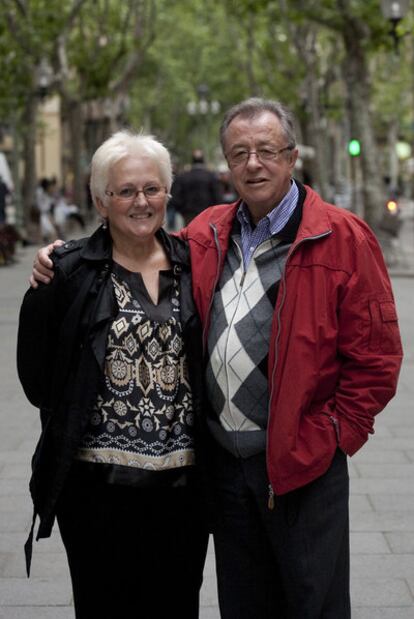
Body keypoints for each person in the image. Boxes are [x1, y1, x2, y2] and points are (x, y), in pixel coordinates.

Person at [30, 98, 403, 619]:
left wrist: (336, 434)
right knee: (244, 603)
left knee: (312, 602)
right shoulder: (205, 234)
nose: (254, 163)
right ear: (226, 165)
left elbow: (377, 357)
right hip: (224, 467)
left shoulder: (342, 236)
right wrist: (62, 255)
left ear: (292, 157)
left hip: (304, 464)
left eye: (267, 151)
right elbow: (134, 242)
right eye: (240, 153)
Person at [18, 131, 208, 619]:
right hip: (96, 492)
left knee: (176, 606)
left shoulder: (196, 264)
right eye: (125, 191)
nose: (140, 202)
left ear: (168, 193)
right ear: (100, 200)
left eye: (152, 189)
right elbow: (37, 378)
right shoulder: (67, 270)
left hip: (183, 494)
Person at [169, 148, 222, 225]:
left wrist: (183, 211)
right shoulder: (211, 176)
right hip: (207, 214)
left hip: (188, 215)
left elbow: (175, 198)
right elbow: (218, 197)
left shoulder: (183, 177)